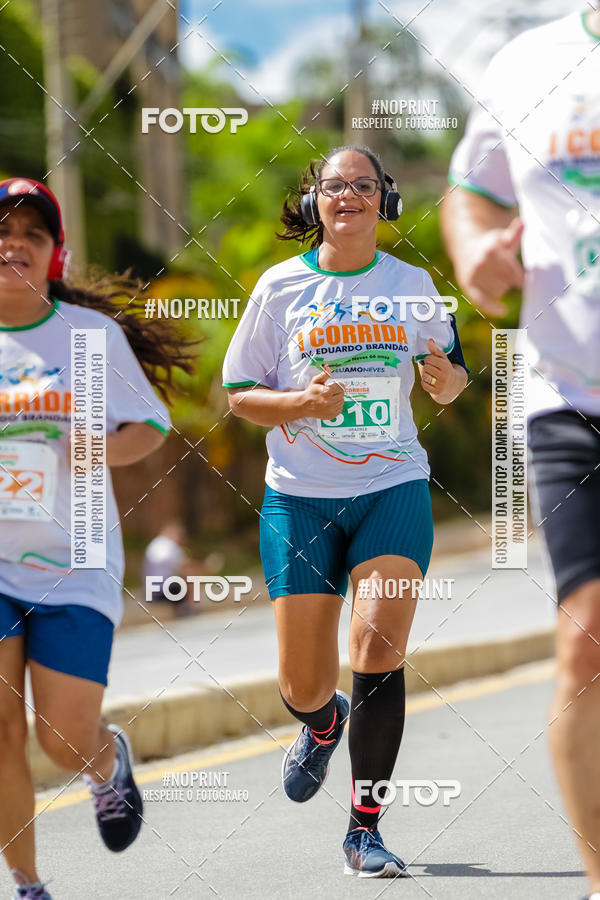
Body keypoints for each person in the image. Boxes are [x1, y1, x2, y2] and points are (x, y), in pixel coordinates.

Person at [223, 146, 468, 877]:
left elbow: (451, 378)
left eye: (364, 185)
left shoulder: (413, 285)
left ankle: (365, 830)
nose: (350, 195)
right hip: (299, 497)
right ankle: (323, 723)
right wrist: (300, 403)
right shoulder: (279, 289)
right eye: (336, 186)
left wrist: (444, 378)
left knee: (376, 652)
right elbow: (239, 394)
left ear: (384, 201)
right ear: (314, 203)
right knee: (301, 683)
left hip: (391, 488)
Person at [441, 9, 600, 899]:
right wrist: (475, 257)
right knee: (586, 644)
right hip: (568, 394)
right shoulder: (528, 61)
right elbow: (472, 192)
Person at [0, 178, 194, 899]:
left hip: (73, 557)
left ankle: (105, 762)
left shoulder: (87, 338)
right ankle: (27, 885)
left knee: (59, 737)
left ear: (54, 254)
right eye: (3, 230)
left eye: (33, 234)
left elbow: (149, 425)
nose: (14, 243)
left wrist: (93, 450)